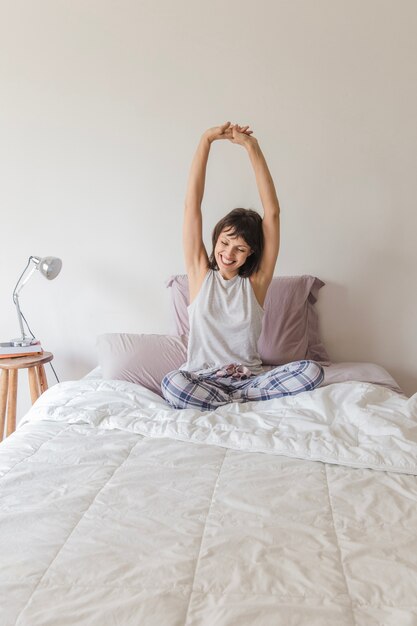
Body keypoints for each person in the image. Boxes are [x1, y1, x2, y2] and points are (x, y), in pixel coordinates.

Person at [162, 122, 324, 410]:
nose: (228, 253)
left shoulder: (256, 283)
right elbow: (192, 206)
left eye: (239, 248)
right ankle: (235, 402)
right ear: (215, 240)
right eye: (224, 243)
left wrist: (252, 147)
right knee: (172, 383)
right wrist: (206, 140)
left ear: (251, 253)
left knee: (313, 371)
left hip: (249, 380)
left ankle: (231, 401)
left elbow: (272, 213)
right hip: (201, 379)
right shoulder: (200, 273)